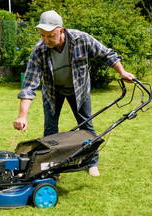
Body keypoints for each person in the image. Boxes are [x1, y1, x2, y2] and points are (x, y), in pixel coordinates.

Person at [13, 10, 134, 177]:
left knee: (86, 126)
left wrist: (122, 72)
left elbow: (107, 54)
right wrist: (22, 115)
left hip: (80, 91)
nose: (46, 40)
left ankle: (91, 163)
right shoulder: (39, 51)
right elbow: (29, 85)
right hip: (53, 92)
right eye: (42, 35)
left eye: (50, 35)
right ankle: (52, 167)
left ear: (61, 30)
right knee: (50, 130)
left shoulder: (81, 39)